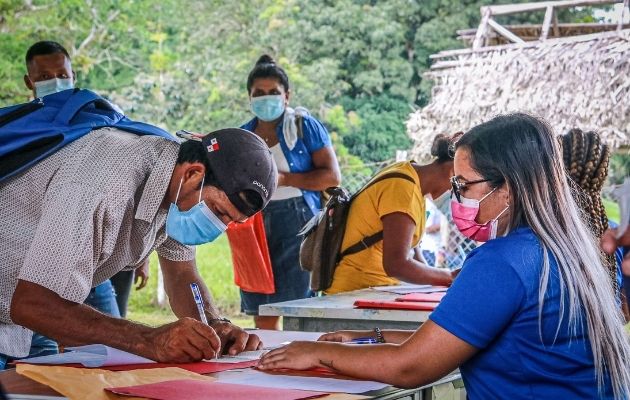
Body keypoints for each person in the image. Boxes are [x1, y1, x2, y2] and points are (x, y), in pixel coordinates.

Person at [259, 114, 630, 399]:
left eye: (463, 185)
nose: (455, 197)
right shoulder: (578, 251)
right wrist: (367, 336)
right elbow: (463, 337)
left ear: (509, 187)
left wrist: (316, 353)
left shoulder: (503, 262)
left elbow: (412, 367)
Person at [0, 96, 277, 370]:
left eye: (229, 222)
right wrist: (149, 339)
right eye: (218, 212)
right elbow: (33, 304)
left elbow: (183, 276)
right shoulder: (106, 184)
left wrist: (214, 326)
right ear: (194, 173)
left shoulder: (176, 188)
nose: (217, 226)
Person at [239, 55, 341, 329]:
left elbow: (331, 177)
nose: (266, 98)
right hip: (255, 224)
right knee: (262, 304)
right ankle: (265, 362)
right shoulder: (243, 136)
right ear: (249, 98)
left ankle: (299, 359)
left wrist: (283, 179)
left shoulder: (303, 126)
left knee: (299, 304)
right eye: (258, 93)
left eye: (273, 92)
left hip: (298, 220)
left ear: (287, 96)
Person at [325, 134, 457, 294]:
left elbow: (413, 255)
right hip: (355, 292)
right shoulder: (403, 188)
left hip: (375, 289)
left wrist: (442, 279)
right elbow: (397, 265)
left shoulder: (411, 179)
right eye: (460, 186)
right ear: (452, 171)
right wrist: (450, 276)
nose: (456, 194)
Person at [559, 128, 628, 316]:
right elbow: (625, 311)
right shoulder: (615, 232)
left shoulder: (546, 234)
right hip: (609, 341)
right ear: (601, 174)